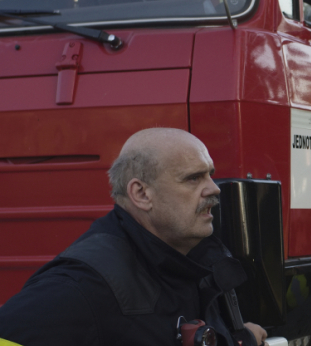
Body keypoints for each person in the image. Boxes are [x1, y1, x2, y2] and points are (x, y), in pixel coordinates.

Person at [0, 128, 268, 346]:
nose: (213, 188)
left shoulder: (197, 262)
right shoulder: (83, 285)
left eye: (210, 174)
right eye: (193, 178)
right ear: (141, 194)